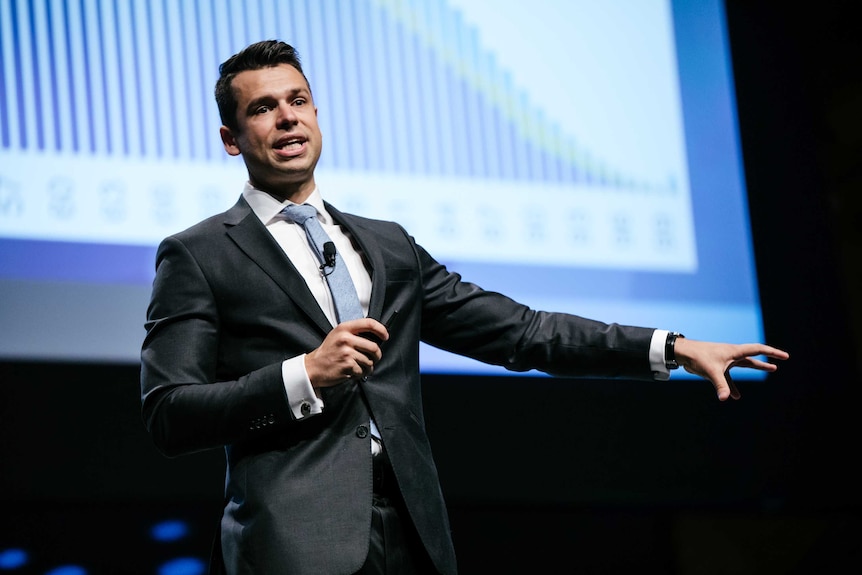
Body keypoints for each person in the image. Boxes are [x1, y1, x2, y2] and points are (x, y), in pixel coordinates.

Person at [140, 40, 789, 575]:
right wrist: (304, 373)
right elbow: (170, 412)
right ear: (231, 138)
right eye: (263, 108)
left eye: (298, 100)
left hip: (418, 538)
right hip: (293, 545)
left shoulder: (385, 243)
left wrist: (672, 347)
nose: (287, 118)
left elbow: (523, 331)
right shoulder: (199, 254)